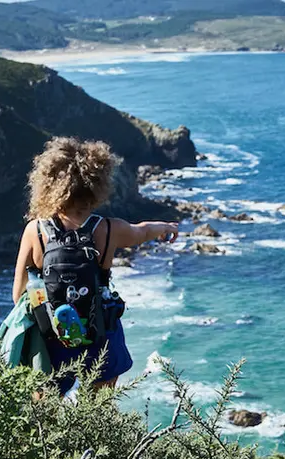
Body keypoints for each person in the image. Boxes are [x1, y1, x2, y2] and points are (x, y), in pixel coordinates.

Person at [12, 137, 178, 394]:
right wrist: (165, 227)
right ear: (96, 184)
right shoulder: (108, 229)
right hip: (100, 333)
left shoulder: (35, 230)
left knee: (43, 413)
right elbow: (141, 232)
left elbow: (17, 294)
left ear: (49, 183)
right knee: (99, 414)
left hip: (53, 337)